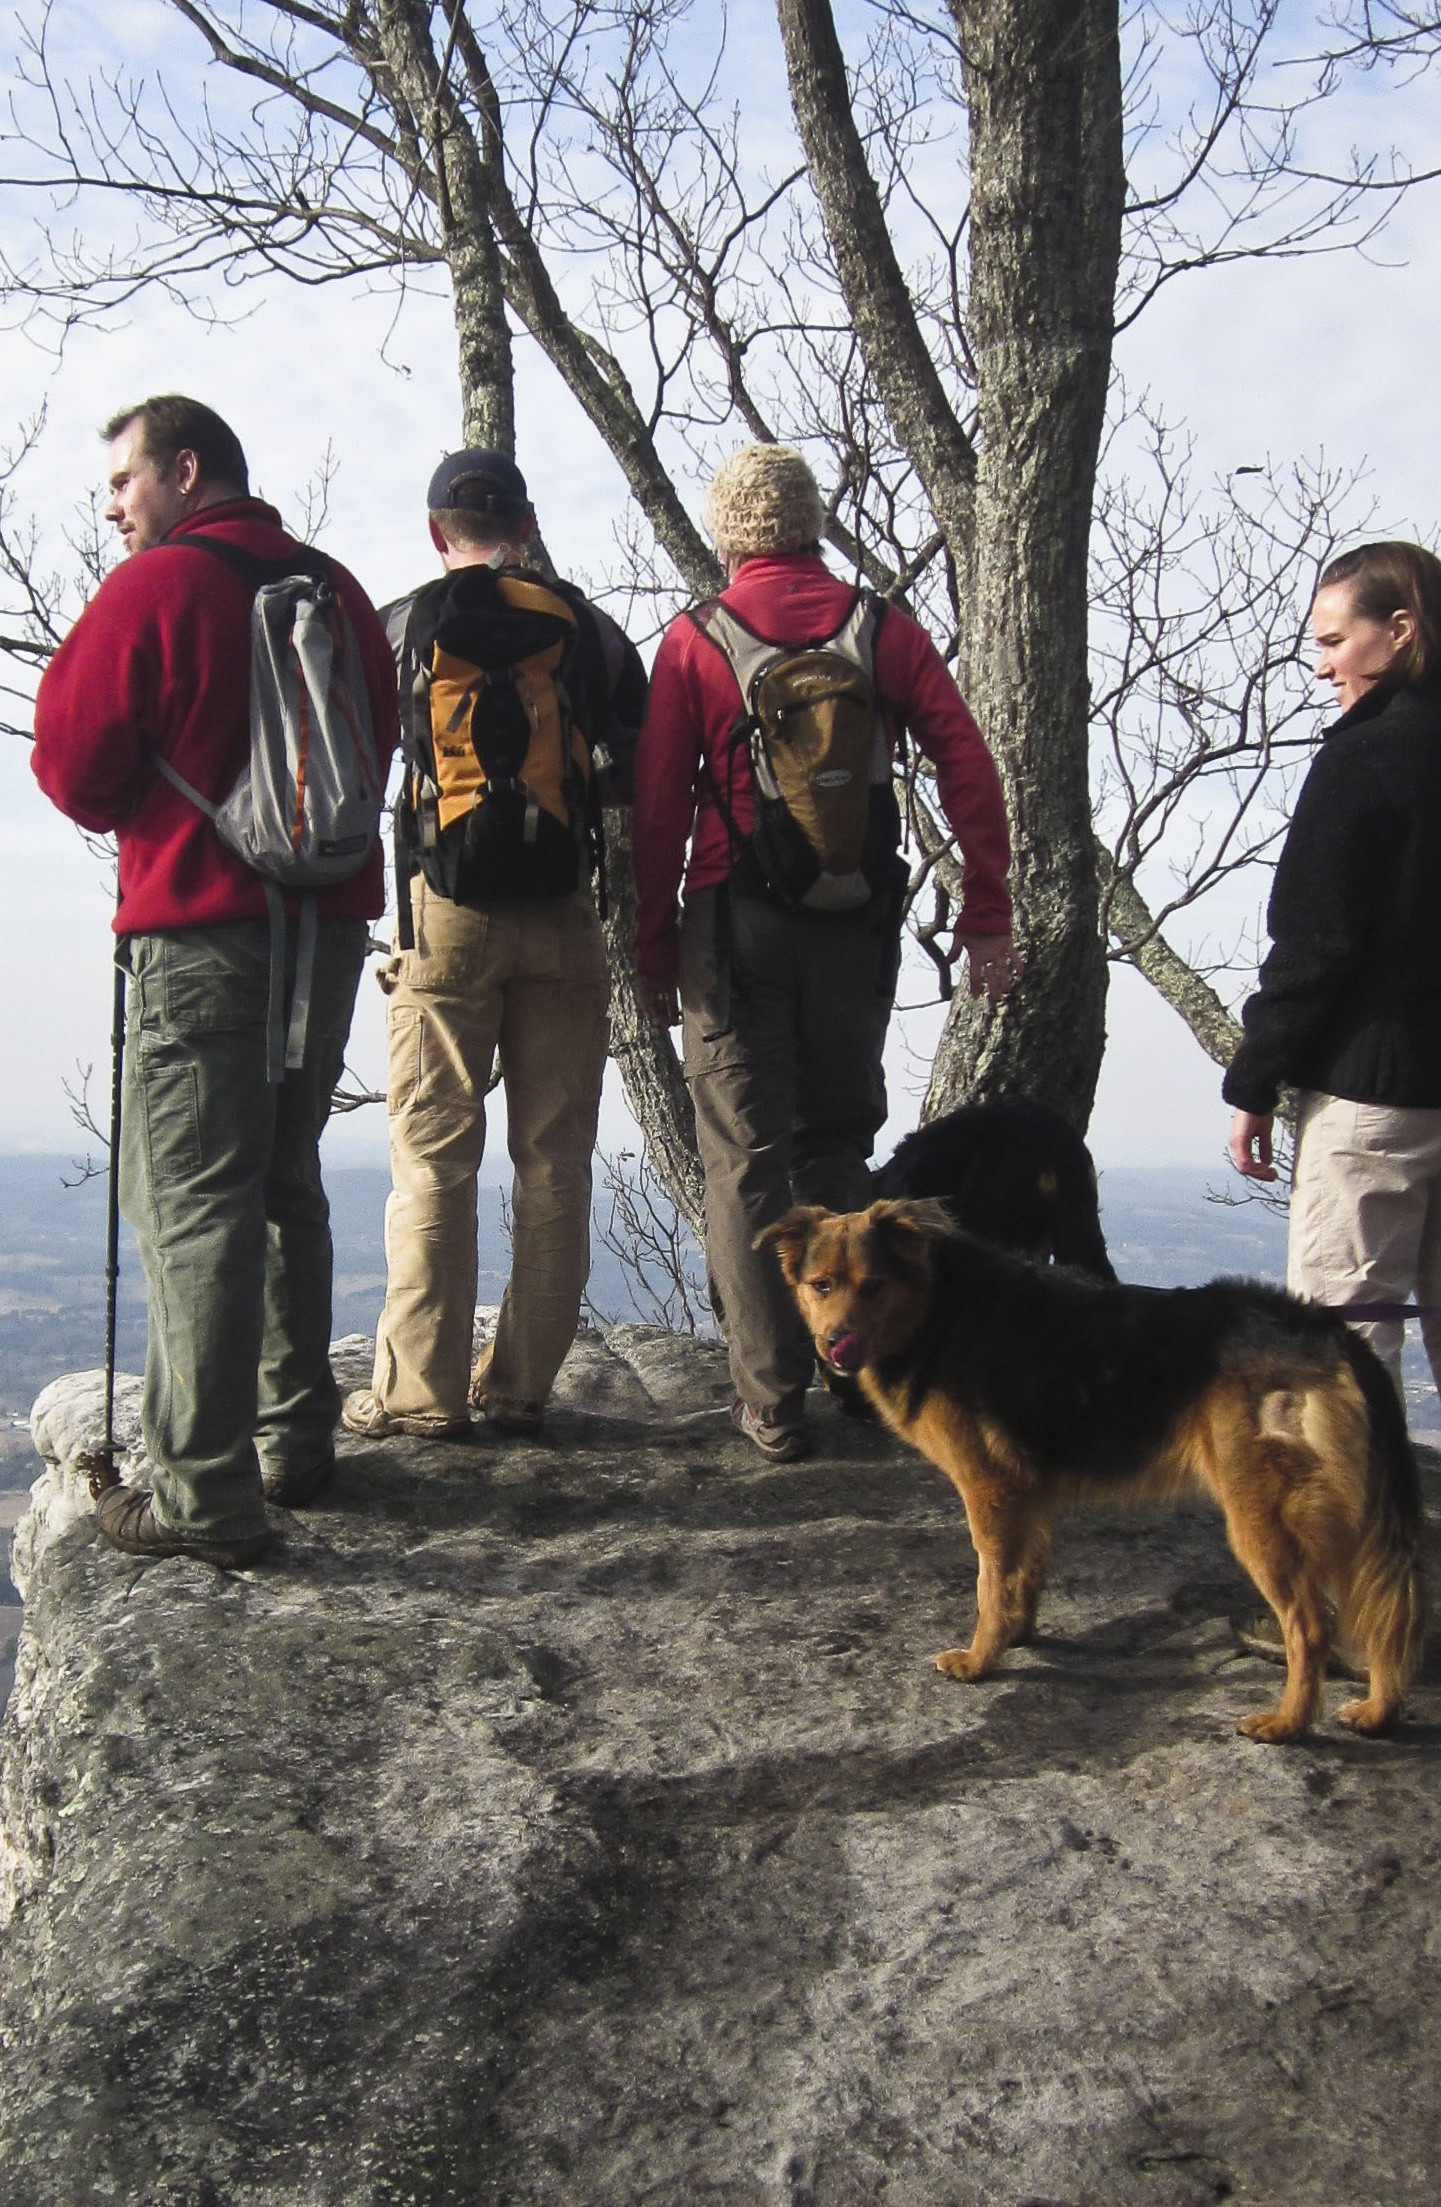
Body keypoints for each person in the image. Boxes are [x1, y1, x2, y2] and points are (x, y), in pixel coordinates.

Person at [33, 396, 399, 1566]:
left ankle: (202, 1495)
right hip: (327, 928)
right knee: (286, 1175)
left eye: (124, 481)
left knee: (192, 1202)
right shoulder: (339, 590)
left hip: (200, 931)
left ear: (186, 471)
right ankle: (295, 1440)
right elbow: (374, 744)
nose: (111, 505)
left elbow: (74, 763)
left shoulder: (156, 588)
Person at [1222, 536, 1441, 1674]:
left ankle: (1338, 1606)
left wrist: (1254, 1077)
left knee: (1336, 1355)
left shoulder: (1363, 763)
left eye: (1334, 639)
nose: (1322, 664)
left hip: (1374, 1100)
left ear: (1399, 627)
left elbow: (1312, 945)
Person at [633, 442, 1014, 1462]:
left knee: (746, 1162)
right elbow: (965, 758)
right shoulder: (879, 628)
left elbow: (661, 808)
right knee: (838, 1135)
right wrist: (987, 908)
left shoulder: (696, 642)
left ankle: (770, 1397)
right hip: (854, 920)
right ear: (809, 523)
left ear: (728, 533)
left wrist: (654, 943)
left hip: (734, 918)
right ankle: (870, 1372)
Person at [345, 447, 649, 1445]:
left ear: (440, 532)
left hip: (446, 913)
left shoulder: (400, 627)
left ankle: (419, 1396)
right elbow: (632, 771)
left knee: (433, 1158)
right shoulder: (589, 630)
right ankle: (519, 1386)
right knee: (554, 1158)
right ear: (524, 523)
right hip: (562, 915)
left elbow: (352, 758)